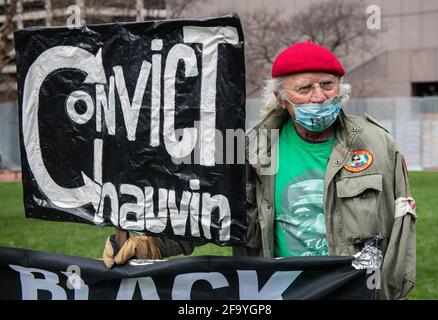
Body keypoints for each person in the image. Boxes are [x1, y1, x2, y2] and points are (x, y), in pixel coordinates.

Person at [103, 40, 416, 300]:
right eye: (305, 88)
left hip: (352, 293)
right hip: (274, 293)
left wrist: (388, 293)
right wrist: (150, 243)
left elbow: (401, 229)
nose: (319, 97)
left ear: (341, 88)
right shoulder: (247, 150)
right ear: (281, 98)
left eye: (327, 85)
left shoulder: (378, 144)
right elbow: (208, 215)